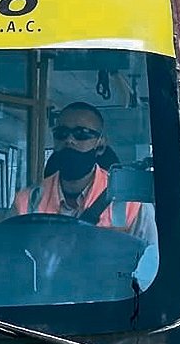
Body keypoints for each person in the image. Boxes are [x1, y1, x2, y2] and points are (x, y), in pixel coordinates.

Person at [13, 103, 154, 243]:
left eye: (81, 134)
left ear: (100, 145)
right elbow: (7, 255)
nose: (69, 140)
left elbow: (152, 257)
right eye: (61, 134)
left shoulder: (131, 202)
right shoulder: (27, 200)